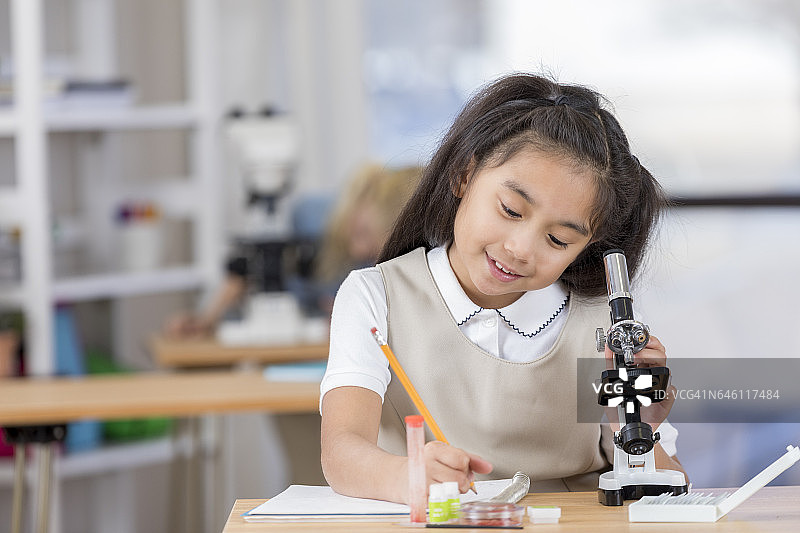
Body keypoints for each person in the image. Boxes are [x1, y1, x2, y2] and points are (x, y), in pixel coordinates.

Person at [319, 73, 687, 504]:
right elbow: (342, 453)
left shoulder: (608, 321)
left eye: (558, 241)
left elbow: (668, 487)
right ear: (464, 174)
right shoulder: (376, 295)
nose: (520, 249)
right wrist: (408, 475)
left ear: (589, 247)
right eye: (511, 209)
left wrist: (638, 426)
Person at [163, 163, 422, 338]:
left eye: (373, 250)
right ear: (364, 200)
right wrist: (208, 319)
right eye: (363, 232)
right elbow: (252, 266)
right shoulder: (312, 215)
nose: (361, 249)